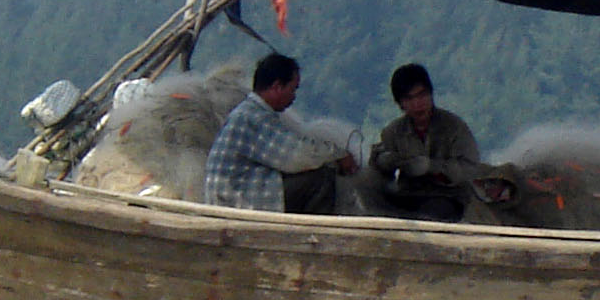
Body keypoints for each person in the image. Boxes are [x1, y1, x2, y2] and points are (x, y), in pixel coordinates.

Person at [203, 53, 354, 214]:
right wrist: (338, 155)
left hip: (232, 195)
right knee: (322, 178)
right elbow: (296, 156)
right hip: (237, 201)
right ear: (277, 87)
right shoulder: (254, 117)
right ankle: (313, 227)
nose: (294, 97)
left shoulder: (247, 112)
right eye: (292, 89)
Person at [371, 63, 480, 222]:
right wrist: (383, 162)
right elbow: (378, 170)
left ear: (431, 94)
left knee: (431, 215)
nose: (417, 104)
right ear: (400, 104)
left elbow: (470, 168)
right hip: (408, 195)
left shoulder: (454, 127)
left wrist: (433, 167)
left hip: (448, 197)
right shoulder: (393, 131)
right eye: (409, 99)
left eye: (422, 95)